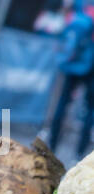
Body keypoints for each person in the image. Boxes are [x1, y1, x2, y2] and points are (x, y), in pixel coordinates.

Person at [49, 0, 94, 159]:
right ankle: (80, 154)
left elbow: (65, 14)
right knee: (90, 109)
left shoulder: (79, 3)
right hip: (89, 61)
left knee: (63, 102)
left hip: (74, 60)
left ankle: (51, 144)